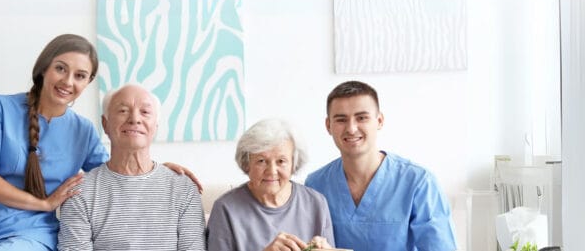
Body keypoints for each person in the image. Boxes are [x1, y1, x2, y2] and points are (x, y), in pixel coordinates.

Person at [0, 35, 200, 251]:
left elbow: (118, 171)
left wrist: (158, 170)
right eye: (61, 69)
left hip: (34, 235)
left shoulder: (83, 130)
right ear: (44, 68)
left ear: (88, 82)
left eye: (80, 75)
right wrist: (43, 204)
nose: (68, 81)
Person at [304, 80, 457, 251]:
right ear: (328, 126)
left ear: (379, 121)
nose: (351, 128)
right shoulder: (315, 185)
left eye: (362, 118)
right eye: (341, 120)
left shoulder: (419, 183)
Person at [57, 84, 206, 251]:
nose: (135, 119)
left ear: (156, 126)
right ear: (105, 124)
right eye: (123, 111)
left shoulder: (183, 188)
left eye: (145, 112)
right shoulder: (79, 192)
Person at [206, 118, 335, 251]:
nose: (272, 171)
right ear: (247, 164)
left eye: (281, 161)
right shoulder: (225, 208)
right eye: (261, 161)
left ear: (293, 164)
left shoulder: (316, 203)